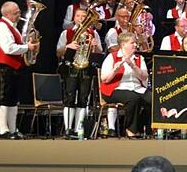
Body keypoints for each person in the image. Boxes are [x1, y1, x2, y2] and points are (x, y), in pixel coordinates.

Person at [0, 1, 38, 139]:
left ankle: (12, 129)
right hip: (4, 67)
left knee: (12, 100)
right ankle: (3, 130)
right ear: (7, 14)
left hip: (13, 67)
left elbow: (17, 45)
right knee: (3, 98)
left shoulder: (13, 27)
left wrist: (27, 43)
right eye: (16, 12)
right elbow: (8, 48)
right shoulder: (1, 26)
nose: (19, 14)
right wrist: (27, 47)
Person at [56, 8, 102, 138]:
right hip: (71, 68)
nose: (81, 18)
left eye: (84, 16)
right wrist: (67, 47)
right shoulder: (67, 32)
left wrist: (95, 45)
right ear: (74, 18)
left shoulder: (93, 33)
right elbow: (58, 52)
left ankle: (78, 128)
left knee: (83, 98)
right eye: (78, 16)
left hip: (86, 68)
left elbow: (99, 52)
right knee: (69, 98)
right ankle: (68, 128)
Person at [100, 32, 151, 138]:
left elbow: (144, 77)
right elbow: (104, 79)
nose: (135, 45)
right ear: (123, 44)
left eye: (135, 43)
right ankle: (130, 130)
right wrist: (115, 70)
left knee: (153, 99)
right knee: (133, 98)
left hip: (137, 88)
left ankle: (145, 128)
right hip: (115, 89)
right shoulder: (112, 57)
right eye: (132, 43)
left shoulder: (139, 58)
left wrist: (133, 66)